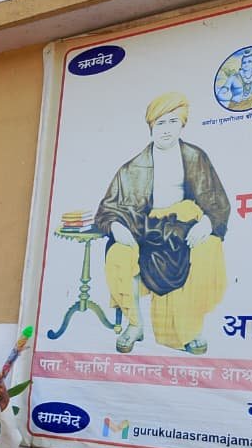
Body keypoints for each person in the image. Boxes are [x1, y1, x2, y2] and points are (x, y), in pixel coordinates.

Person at [94, 91, 229, 355]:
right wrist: (117, 227)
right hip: (143, 228)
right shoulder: (132, 167)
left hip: (184, 224)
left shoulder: (196, 157)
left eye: (172, 122)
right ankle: (135, 324)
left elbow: (217, 201)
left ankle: (189, 330)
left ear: (182, 124)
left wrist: (207, 223)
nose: (166, 129)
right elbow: (107, 210)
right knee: (119, 254)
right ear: (151, 127)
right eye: (160, 123)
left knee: (207, 249)